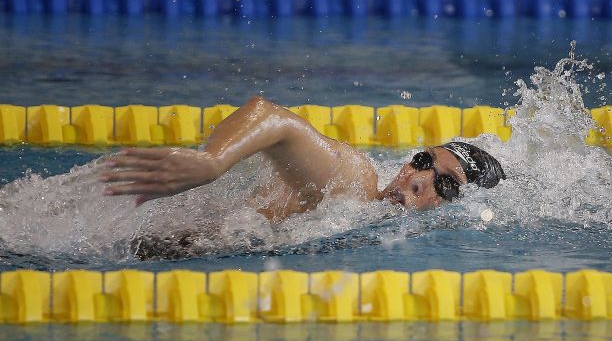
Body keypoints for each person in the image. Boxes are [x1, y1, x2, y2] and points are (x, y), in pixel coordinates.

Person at [101, 97, 506, 221]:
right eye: (422, 160)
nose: (420, 179)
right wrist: (212, 162)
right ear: (406, 163)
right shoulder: (354, 184)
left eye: (446, 184)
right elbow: (273, 118)